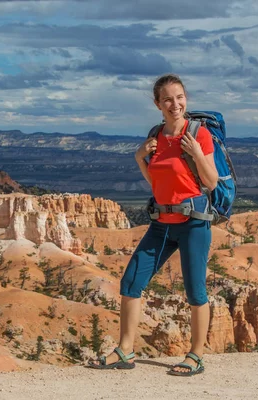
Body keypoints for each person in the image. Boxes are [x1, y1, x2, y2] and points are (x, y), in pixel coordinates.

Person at [88, 74, 218, 376]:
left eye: (180, 97)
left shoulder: (198, 134)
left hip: (193, 222)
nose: (176, 104)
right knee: (131, 282)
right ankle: (125, 350)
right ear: (157, 103)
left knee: (195, 290)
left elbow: (210, 182)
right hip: (162, 222)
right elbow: (157, 181)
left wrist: (196, 153)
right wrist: (139, 158)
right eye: (168, 99)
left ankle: (196, 355)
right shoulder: (156, 135)